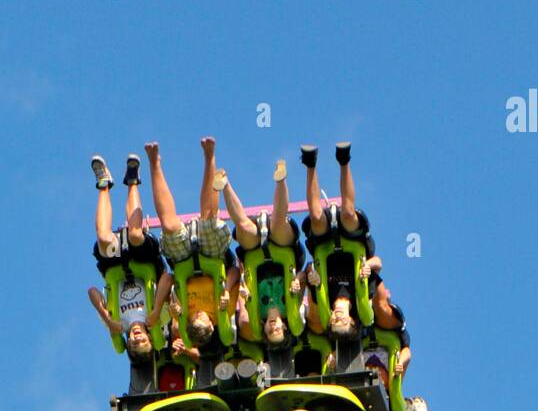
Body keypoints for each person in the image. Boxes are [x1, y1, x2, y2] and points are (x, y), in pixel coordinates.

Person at [144, 138, 241, 360]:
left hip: (184, 262)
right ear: (212, 323)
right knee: (208, 219)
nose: (198, 313)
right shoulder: (223, 309)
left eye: (194, 317)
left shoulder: (182, 317)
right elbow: (235, 270)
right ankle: (210, 157)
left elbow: (168, 278)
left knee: (169, 226)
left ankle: (154, 164)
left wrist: (166, 307)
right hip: (212, 256)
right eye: (202, 317)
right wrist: (226, 289)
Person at [301, 142, 405, 337]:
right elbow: (379, 262)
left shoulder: (321, 297)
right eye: (343, 322)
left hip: (325, 247)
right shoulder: (362, 296)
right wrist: (369, 266)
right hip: (351, 243)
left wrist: (311, 274)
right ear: (352, 320)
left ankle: (310, 164)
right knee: (348, 213)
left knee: (316, 216)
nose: (337, 318)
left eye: (334, 322)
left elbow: (308, 268)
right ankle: (344, 161)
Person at [88, 151, 173, 362]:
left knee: (104, 240)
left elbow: (92, 292)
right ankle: (133, 180)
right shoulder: (160, 318)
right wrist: (154, 310)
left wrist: (108, 320)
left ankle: (104, 184)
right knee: (135, 234)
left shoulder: (117, 323)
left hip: (116, 267)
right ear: (149, 338)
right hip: (145, 263)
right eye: (143, 342)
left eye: (134, 344)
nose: (137, 339)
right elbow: (168, 277)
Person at [212, 160, 305, 351]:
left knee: (244, 227)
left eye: (270, 332)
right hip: (283, 248)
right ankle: (281, 180)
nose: (273, 327)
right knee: (278, 222)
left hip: (255, 255)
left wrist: (244, 293)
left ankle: (225, 184)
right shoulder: (292, 308)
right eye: (278, 330)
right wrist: (299, 280)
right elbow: (305, 275)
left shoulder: (257, 310)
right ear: (285, 326)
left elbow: (244, 282)